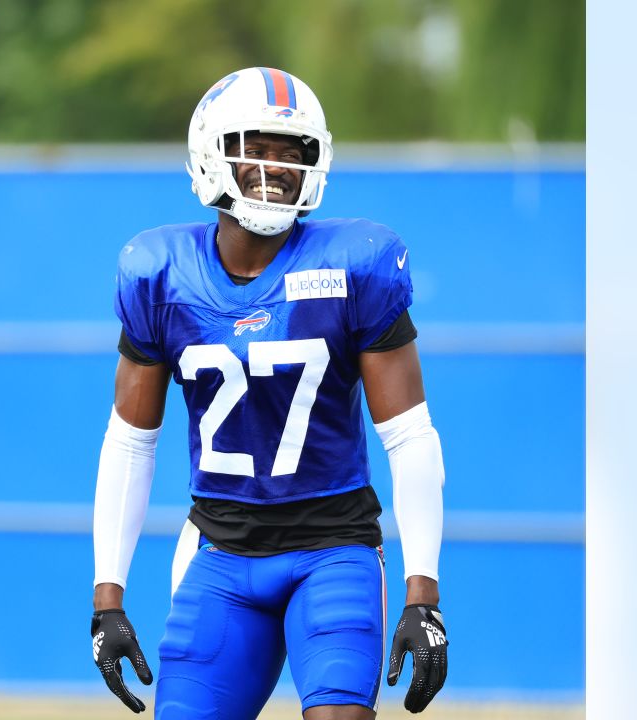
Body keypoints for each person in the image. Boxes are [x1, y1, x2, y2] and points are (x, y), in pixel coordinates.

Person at [90, 67, 449, 719]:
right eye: (257, 147)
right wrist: (106, 598)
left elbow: (409, 433)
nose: (276, 167)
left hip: (332, 549)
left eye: (293, 152)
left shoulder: (354, 263)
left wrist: (422, 594)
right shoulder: (159, 273)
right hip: (220, 556)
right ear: (210, 151)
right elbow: (131, 443)